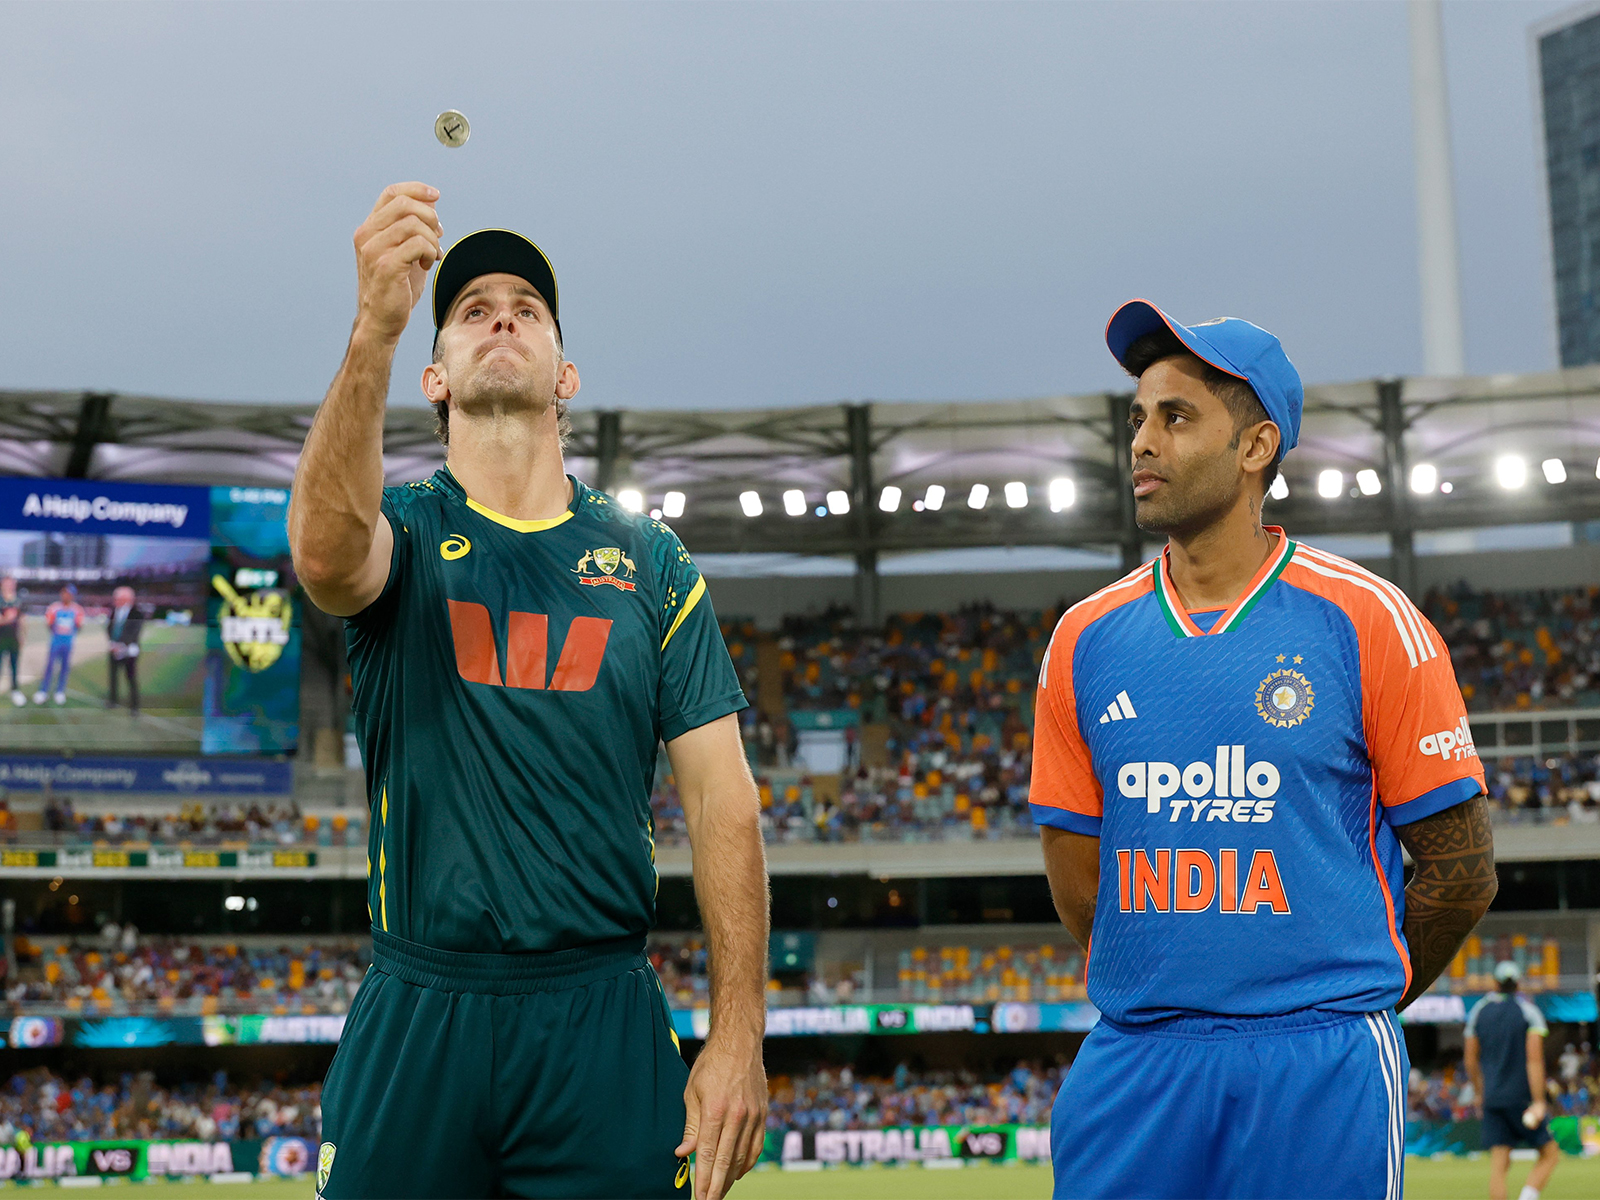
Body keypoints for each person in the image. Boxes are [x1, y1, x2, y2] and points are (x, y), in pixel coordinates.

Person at [287, 184, 768, 1200]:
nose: (500, 315)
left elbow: (724, 805)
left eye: (527, 308)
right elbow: (326, 557)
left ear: (566, 374)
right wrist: (372, 325)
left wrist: (736, 1039)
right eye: (470, 309)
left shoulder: (652, 562)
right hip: (421, 1009)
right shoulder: (404, 530)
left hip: (599, 1014)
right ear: (437, 376)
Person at [1030, 301, 1498, 1200]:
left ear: (1255, 448)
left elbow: (1460, 870)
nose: (1141, 442)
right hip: (1137, 1061)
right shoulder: (1084, 639)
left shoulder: (1368, 619)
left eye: (1175, 416)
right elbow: (1077, 881)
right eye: (1137, 417)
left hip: (1320, 1063)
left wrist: (1340, 1000)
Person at [1466, 961, 1561, 1200]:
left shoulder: (1479, 1011)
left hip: (1492, 1098)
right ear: (1518, 983)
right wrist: (1539, 1101)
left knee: (1499, 1167)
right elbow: (1534, 1061)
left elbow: (1470, 1060)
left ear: (1495, 983)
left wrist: (1479, 1093)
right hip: (1521, 1099)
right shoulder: (1528, 1011)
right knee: (1549, 1154)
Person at [35, 585, 83, 706]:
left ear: (72, 595)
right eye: (64, 593)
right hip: (55, 642)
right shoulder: (54, 607)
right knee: (50, 666)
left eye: (68, 593)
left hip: (68, 643)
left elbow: (78, 626)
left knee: (65, 667)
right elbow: (49, 624)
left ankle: (60, 691)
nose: (66, 596)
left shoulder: (77, 609)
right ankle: (43, 691)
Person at [106, 586, 143, 714]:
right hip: (114, 649)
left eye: (118, 598)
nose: (115, 600)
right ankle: (112, 701)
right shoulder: (114, 611)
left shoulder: (136, 613)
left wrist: (121, 644)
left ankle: (134, 706)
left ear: (127, 599)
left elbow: (134, 632)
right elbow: (109, 628)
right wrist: (112, 642)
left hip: (129, 651)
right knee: (113, 677)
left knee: (131, 678)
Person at [0, 576, 22, 706]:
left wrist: (23, 636)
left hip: (14, 640)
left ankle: (15, 691)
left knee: (14, 667)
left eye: (11, 583)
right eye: (6, 583)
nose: (9, 585)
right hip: (1, 639)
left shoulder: (18, 600)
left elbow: (22, 620)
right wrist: (8, 618)